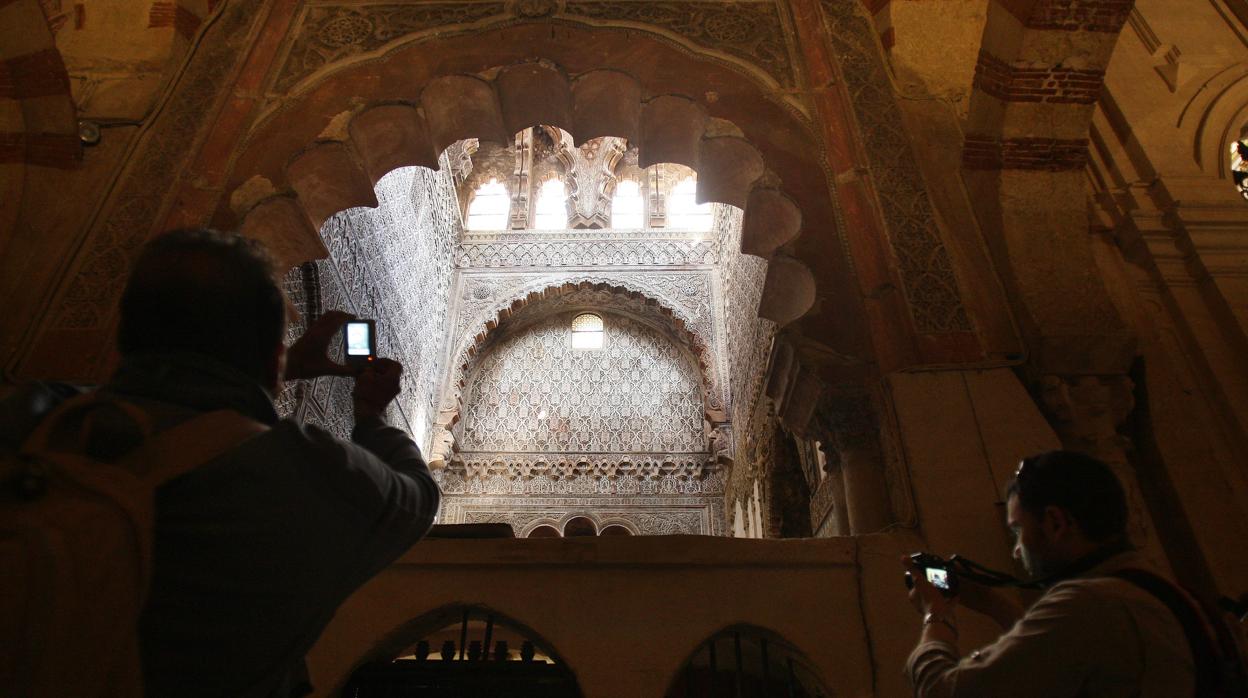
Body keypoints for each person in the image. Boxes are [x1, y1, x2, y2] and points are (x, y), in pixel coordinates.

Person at [1, 228, 440, 697]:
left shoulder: (33, 416)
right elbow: (419, 494)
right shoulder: (309, 475)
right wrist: (370, 413)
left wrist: (277, 369)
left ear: (121, 335)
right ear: (273, 357)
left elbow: (162, 394)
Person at [902, 450, 1203, 697]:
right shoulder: (1160, 589)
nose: (1017, 550)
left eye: (1019, 530)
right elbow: (1052, 653)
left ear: (1056, 523)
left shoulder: (1087, 604)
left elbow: (941, 691)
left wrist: (935, 614)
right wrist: (990, 602)